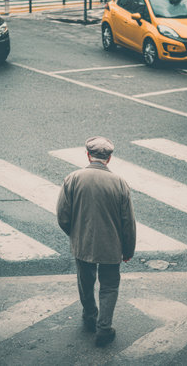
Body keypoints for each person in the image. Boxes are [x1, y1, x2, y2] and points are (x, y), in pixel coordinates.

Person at [57, 136, 136, 347]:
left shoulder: (72, 178)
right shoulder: (120, 183)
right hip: (111, 246)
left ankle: (90, 316)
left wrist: (77, 235)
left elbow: (62, 216)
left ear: (87, 155)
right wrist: (128, 250)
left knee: (85, 281)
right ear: (109, 158)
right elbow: (128, 222)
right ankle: (104, 329)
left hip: (83, 244)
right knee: (109, 286)